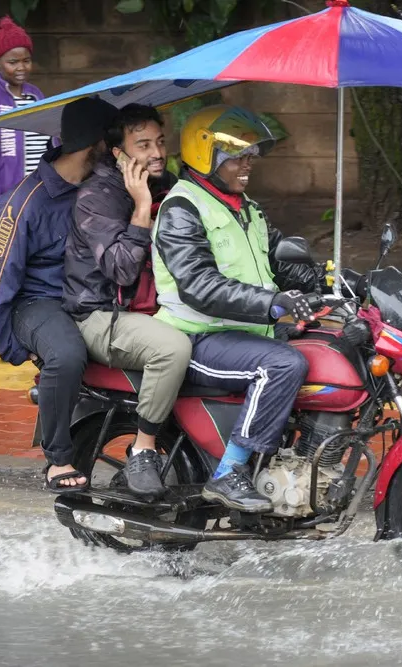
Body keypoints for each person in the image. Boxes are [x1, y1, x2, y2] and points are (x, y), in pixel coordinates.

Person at [152, 105, 327, 513]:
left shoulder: (245, 207)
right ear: (204, 154)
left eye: (251, 155)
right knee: (282, 365)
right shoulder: (182, 209)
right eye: (238, 155)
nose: (249, 163)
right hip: (196, 337)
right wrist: (272, 304)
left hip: (243, 332)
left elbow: (279, 262)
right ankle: (228, 473)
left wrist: (331, 281)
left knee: (329, 343)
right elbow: (199, 285)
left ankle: (294, 460)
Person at [0, 96, 120, 493]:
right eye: (116, 141)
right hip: (37, 303)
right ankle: (59, 458)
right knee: (67, 353)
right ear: (98, 145)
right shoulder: (25, 201)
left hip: (88, 297)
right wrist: (11, 346)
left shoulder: (102, 186)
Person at [63, 104, 191, 497]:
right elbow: (121, 271)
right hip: (102, 315)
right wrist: (140, 207)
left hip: (153, 307)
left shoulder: (168, 184)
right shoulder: (96, 198)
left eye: (160, 142)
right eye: (143, 145)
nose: (156, 152)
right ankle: (143, 447)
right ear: (118, 153)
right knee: (172, 349)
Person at [0, 16, 51, 229]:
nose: (21, 67)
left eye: (26, 60)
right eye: (12, 62)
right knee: (5, 256)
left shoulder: (35, 95)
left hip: (35, 193)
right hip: (2, 197)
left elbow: (49, 139)